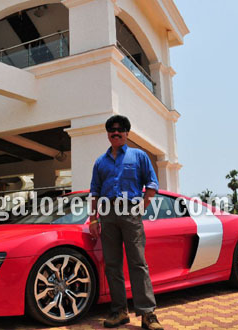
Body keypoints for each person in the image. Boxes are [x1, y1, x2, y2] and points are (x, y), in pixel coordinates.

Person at [89, 115, 163, 330]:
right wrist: (94, 218)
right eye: (112, 129)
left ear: (127, 133)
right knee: (112, 265)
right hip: (107, 214)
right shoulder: (100, 162)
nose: (116, 132)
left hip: (130, 212)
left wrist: (141, 207)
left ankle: (148, 314)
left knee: (137, 263)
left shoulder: (138, 156)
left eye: (120, 129)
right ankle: (119, 311)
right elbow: (94, 191)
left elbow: (151, 184)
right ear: (108, 133)